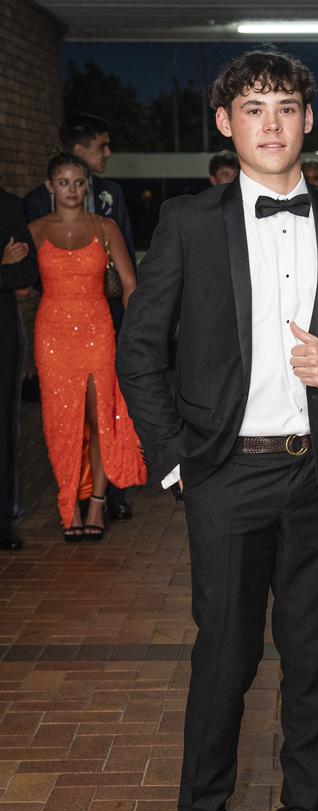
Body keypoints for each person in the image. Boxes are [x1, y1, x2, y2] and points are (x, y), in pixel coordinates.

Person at [116, 48, 318, 811]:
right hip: (227, 476)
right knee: (224, 662)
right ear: (226, 125)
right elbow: (139, 349)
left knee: (314, 665)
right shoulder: (190, 224)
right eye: (253, 109)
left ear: (310, 122)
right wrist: (175, 460)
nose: (271, 123)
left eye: (286, 107)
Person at [24, 113, 136, 522]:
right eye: (64, 183)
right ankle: (68, 504)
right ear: (50, 187)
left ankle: (97, 506)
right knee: (60, 421)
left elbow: (129, 284)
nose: (73, 189)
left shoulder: (105, 226)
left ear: (86, 185)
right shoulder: (33, 229)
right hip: (52, 331)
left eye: (79, 182)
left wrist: (139, 334)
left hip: (97, 329)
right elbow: (19, 286)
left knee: (97, 416)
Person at [0, 189, 38, 551]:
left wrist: (11, 268)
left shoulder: (9, 206)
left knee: (5, 430)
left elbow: (26, 274)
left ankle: (2, 522)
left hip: (3, 339)